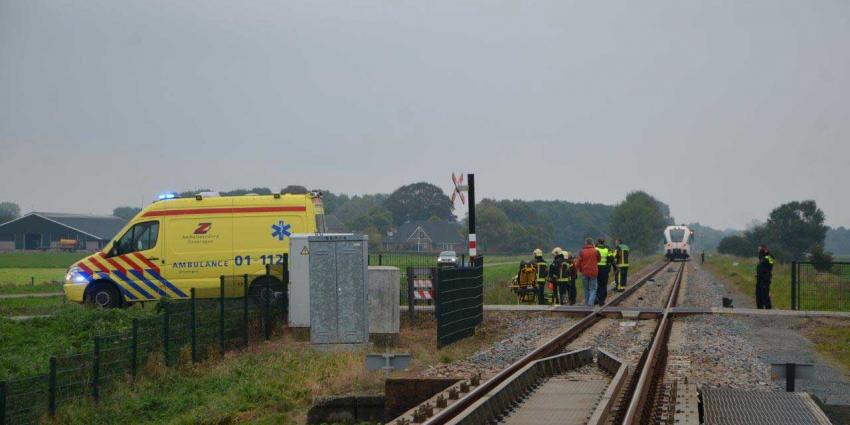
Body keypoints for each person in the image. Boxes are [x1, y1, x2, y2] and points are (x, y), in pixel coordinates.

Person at [576, 238, 601, 306]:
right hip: (593, 272)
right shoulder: (596, 251)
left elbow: (578, 262)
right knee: (593, 289)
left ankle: (587, 304)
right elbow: (599, 260)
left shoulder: (582, 252)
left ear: (585, 243)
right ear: (592, 243)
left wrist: (576, 270)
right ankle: (590, 304)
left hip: (584, 272)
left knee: (586, 289)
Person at [756, 244, 774, 309]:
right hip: (759, 277)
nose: (759, 251)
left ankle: (768, 307)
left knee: (765, 293)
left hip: (765, 278)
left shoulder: (769, 256)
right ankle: (760, 307)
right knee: (759, 293)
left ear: (764, 249)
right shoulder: (761, 257)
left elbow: (771, 264)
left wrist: (766, 254)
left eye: (760, 249)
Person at [595, 238, 611, 305]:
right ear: (604, 242)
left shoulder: (595, 249)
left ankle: (597, 299)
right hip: (604, 270)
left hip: (596, 269)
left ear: (598, 242)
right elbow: (611, 259)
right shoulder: (607, 249)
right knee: (603, 285)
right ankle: (602, 300)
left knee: (597, 284)